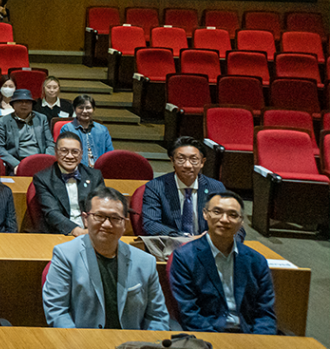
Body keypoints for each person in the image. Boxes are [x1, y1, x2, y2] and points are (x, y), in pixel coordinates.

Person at [42, 186, 170, 330]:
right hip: (81, 344)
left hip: (132, 345)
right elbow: (57, 312)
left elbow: (157, 317)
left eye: (115, 218)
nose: (107, 224)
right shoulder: (65, 255)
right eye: (99, 216)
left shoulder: (146, 262)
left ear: (124, 224)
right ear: (85, 219)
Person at [169, 191, 276, 334]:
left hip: (248, 334)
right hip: (207, 335)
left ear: (241, 221)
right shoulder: (185, 257)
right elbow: (189, 313)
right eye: (217, 212)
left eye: (232, 215)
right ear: (205, 214)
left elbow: (265, 312)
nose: (224, 219)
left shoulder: (256, 260)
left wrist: (260, 340)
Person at [142, 136, 231, 239]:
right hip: (172, 246)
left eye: (194, 159)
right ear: (172, 161)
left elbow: (233, 223)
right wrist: (185, 238)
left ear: (202, 162)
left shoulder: (215, 188)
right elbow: (150, 224)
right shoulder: (156, 187)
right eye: (181, 159)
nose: (187, 165)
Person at [32, 132, 106, 236]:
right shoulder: (43, 178)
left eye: (75, 152)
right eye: (64, 151)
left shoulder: (94, 176)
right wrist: (76, 231)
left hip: (90, 231)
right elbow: (52, 213)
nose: (70, 156)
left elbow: (101, 206)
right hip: (58, 233)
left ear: (81, 154)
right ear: (56, 152)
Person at [0, 88, 55, 174]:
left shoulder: (42, 119)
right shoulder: (3, 122)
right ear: (13, 104)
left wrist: (45, 161)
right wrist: (17, 164)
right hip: (17, 162)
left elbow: (50, 143)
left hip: (40, 161)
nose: (24, 105)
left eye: (28, 102)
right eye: (20, 102)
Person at [59, 94, 114, 165]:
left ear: (93, 109)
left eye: (88, 108)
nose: (84, 111)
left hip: (99, 171)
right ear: (74, 110)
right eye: (81, 108)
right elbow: (63, 154)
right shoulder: (67, 128)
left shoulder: (102, 130)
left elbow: (109, 154)